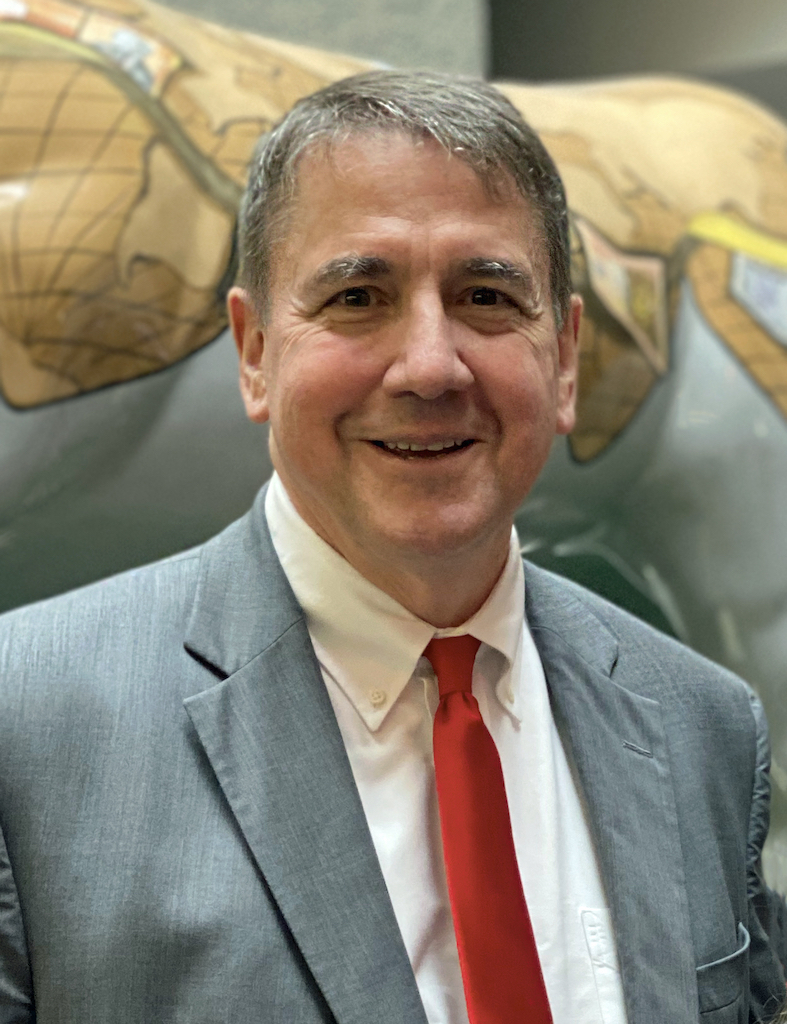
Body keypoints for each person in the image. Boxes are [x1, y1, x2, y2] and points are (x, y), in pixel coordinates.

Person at [0, 70, 785, 1024]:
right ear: (255, 353)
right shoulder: (25, 726)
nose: (429, 367)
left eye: (486, 296)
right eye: (357, 296)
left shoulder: (704, 726)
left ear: (564, 358)